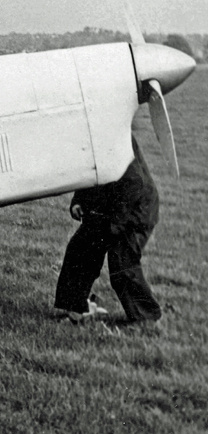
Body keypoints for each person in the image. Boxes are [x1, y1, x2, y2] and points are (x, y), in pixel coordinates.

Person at [53, 136, 161, 325]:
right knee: (80, 250)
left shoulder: (112, 131)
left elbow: (134, 182)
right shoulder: (84, 132)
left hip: (134, 209)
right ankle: (76, 311)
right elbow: (88, 167)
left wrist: (114, 226)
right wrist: (78, 200)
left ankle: (146, 319)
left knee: (121, 262)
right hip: (107, 205)